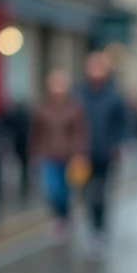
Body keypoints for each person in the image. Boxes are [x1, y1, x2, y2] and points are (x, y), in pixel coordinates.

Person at [76, 52, 128, 255]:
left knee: (99, 193)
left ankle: (99, 229)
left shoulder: (113, 95)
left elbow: (122, 123)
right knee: (84, 193)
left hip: (104, 154)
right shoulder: (79, 93)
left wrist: (117, 144)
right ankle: (91, 227)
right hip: (81, 153)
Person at [29, 70, 88, 245]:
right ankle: (60, 217)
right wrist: (34, 152)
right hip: (48, 156)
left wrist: (79, 153)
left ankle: (65, 217)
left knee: (65, 192)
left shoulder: (75, 107)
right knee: (51, 190)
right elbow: (35, 133)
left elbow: (80, 133)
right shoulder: (42, 107)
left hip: (68, 156)